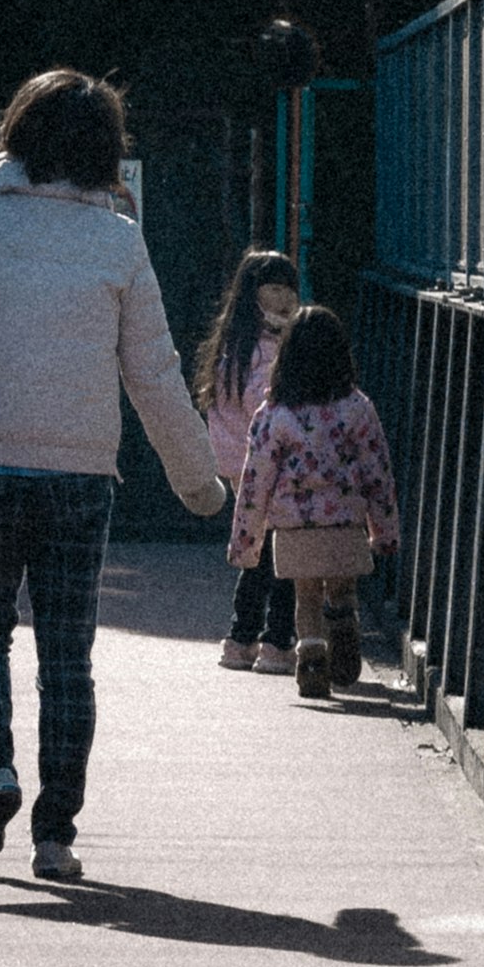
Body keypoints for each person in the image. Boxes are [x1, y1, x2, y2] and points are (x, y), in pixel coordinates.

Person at [0, 67, 224, 885]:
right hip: (80, 475)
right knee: (67, 654)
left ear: (16, 136)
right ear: (107, 152)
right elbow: (153, 371)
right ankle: (56, 834)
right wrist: (197, 481)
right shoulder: (118, 240)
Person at [232, 303, 399, 701]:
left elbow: (255, 481)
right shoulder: (357, 408)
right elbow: (378, 473)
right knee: (341, 592)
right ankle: (343, 630)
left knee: (305, 597)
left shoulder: (274, 413)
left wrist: (246, 540)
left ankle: (311, 656)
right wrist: (385, 531)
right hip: (344, 524)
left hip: (292, 528)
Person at [196, 249, 301, 673]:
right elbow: (264, 404)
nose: (283, 297)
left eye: (289, 288)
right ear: (253, 293)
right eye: (273, 287)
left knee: (256, 552)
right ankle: (275, 641)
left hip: (240, 463)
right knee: (282, 555)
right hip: (264, 464)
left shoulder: (235, 345)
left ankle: (241, 640)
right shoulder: (265, 348)